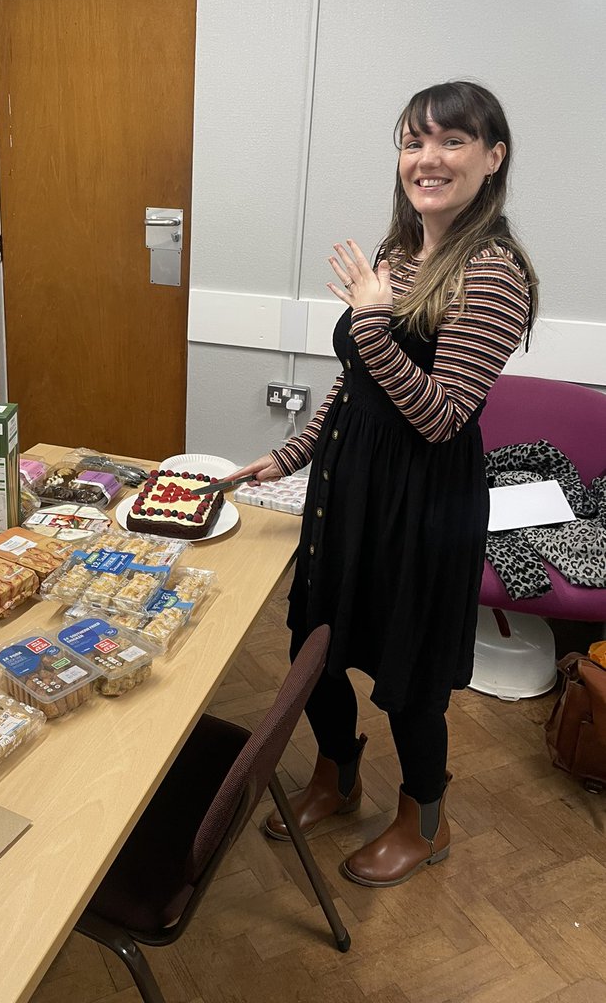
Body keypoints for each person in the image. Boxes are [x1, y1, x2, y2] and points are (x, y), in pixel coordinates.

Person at [237, 80, 538, 887]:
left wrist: (371, 317)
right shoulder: (400, 252)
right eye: (413, 141)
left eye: (450, 141)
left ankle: (424, 820)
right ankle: (336, 776)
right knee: (316, 648)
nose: (426, 159)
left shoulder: (496, 273)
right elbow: (353, 381)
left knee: (410, 680)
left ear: (491, 157)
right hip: (351, 487)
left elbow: (440, 417)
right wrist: (291, 454)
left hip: (423, 506)